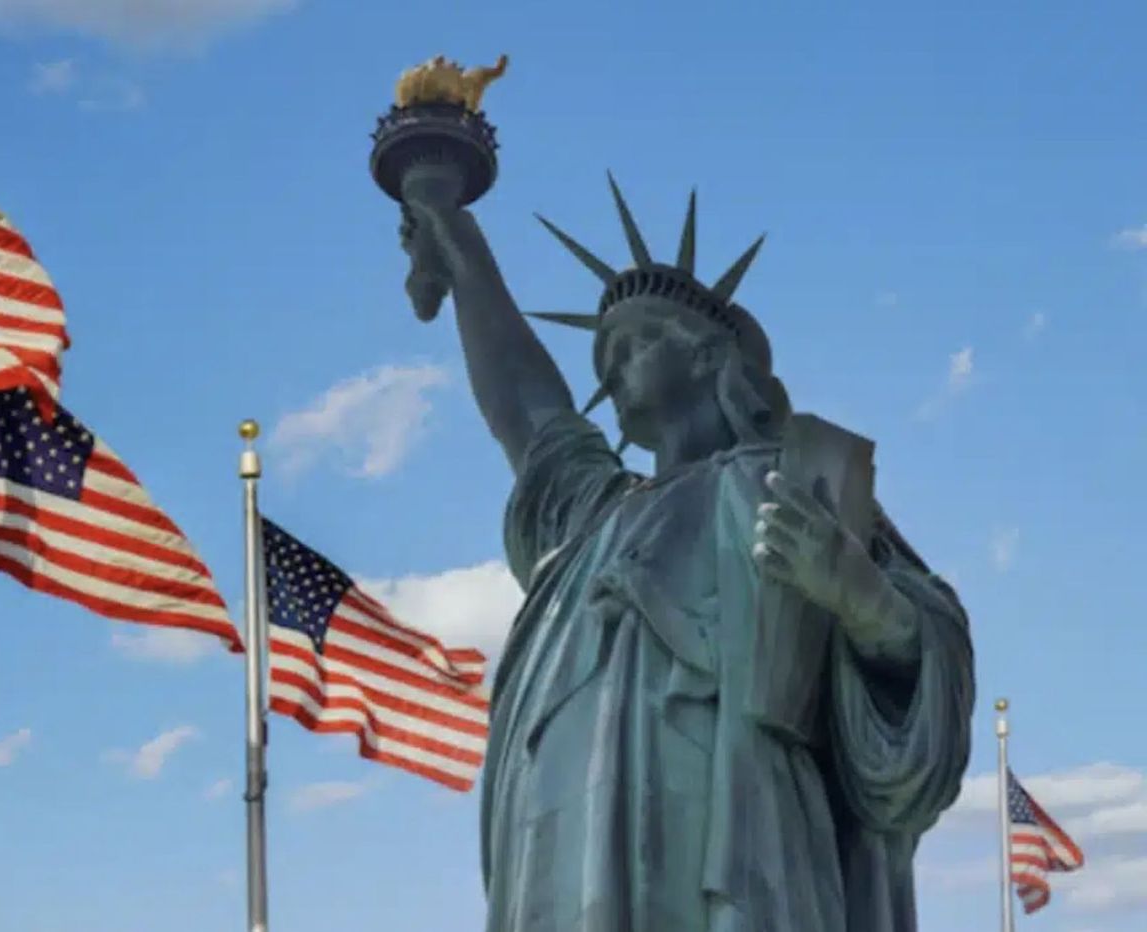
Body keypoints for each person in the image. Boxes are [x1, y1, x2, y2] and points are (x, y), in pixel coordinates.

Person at [396, 169, 975, 931]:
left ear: (710, 358)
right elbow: (529, 414)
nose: (611, 367)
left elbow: (929, 645)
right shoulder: (592, 516)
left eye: (634, 342)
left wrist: (866, 603)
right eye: (604, 357)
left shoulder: (783, 482)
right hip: (562, 857)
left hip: (737, 841)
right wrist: (461, 250)